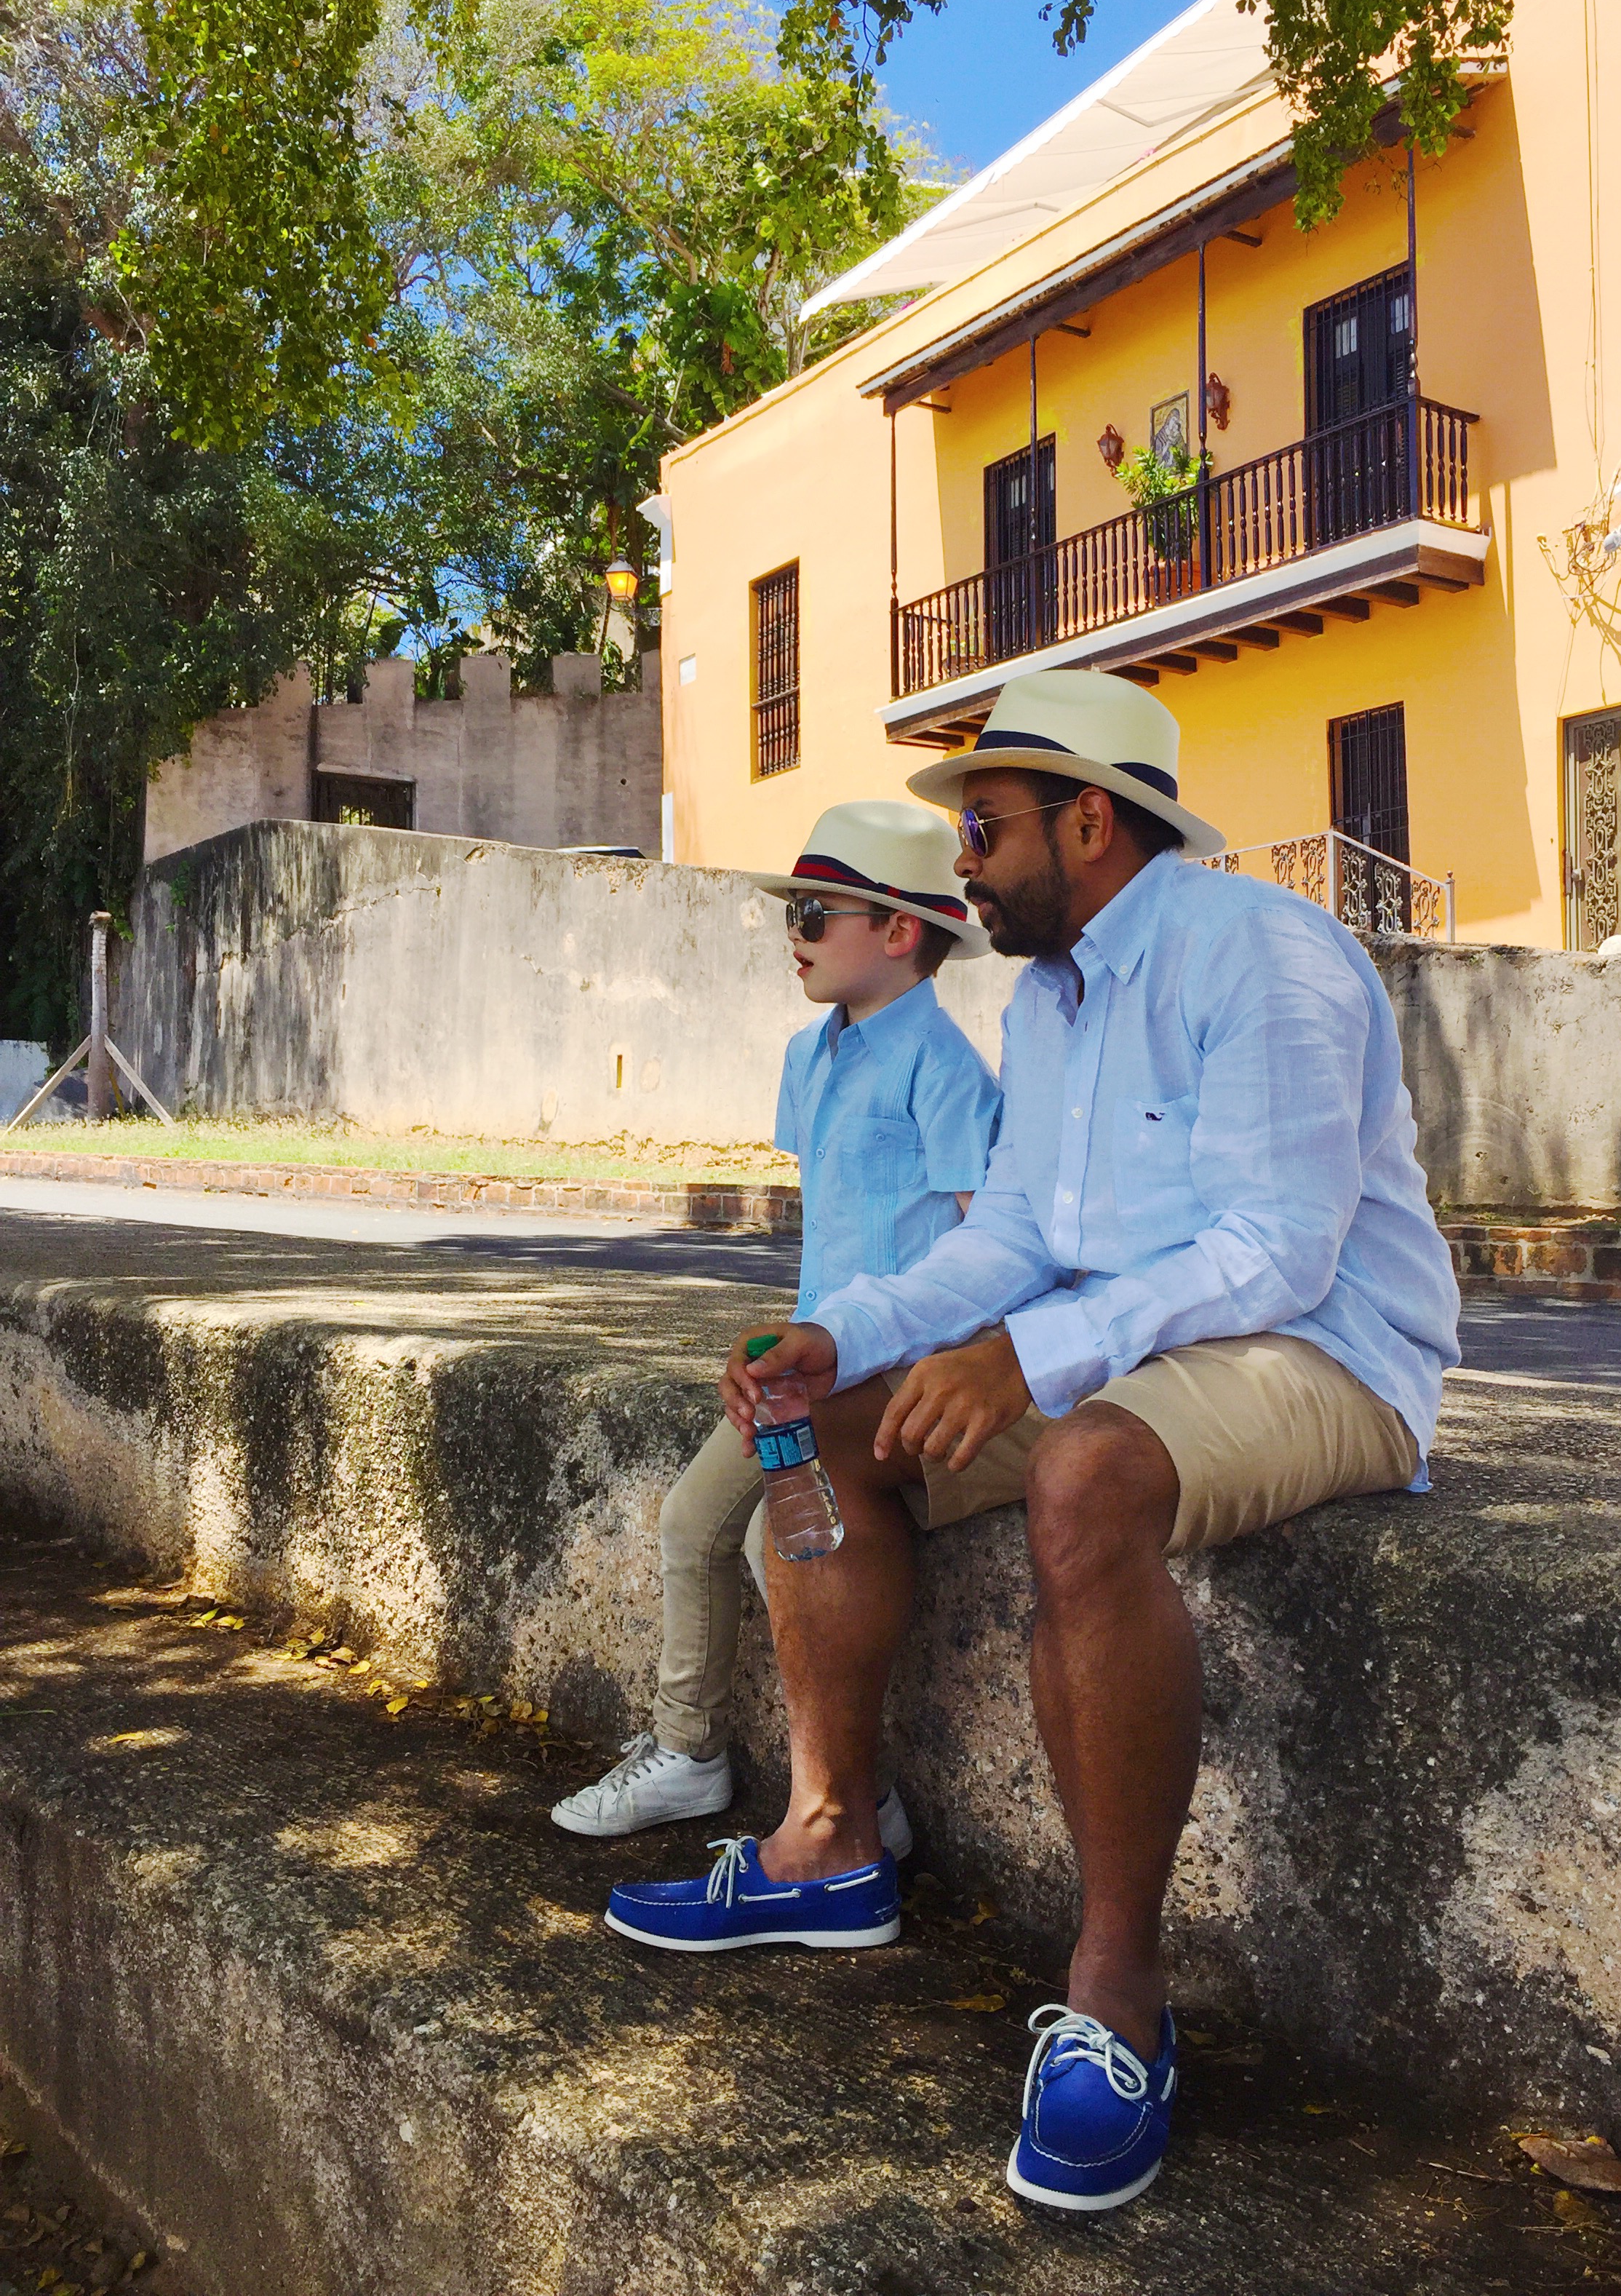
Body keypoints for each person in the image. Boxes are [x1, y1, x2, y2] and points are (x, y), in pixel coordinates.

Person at [604, 670, 1460, 2213]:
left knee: (1085, 1473)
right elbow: (1013, 1235)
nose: (966, 867)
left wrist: (1033, 1357)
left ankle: (1119, 1994)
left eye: (985, 830)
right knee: (836, 1430)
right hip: (1134, 1342)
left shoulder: (1263, 956)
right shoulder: (1051, 996)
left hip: (1327, 1352)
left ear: (1090, 820)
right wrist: (846, 1334)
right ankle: (832, 1844)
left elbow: (1280, 1248)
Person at [553, 798, 1001, 1854]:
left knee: (779, 1537)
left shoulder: (949, 1073)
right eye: (790, 911)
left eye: (814, 912)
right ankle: (691, 1753)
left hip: (890, 1367)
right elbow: (833, 1217)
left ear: (897, 931)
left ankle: (853, 1790)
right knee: (691, 1524)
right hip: (811, 1358)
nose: (791, 934)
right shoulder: (814, 1056)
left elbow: (986, 1243)